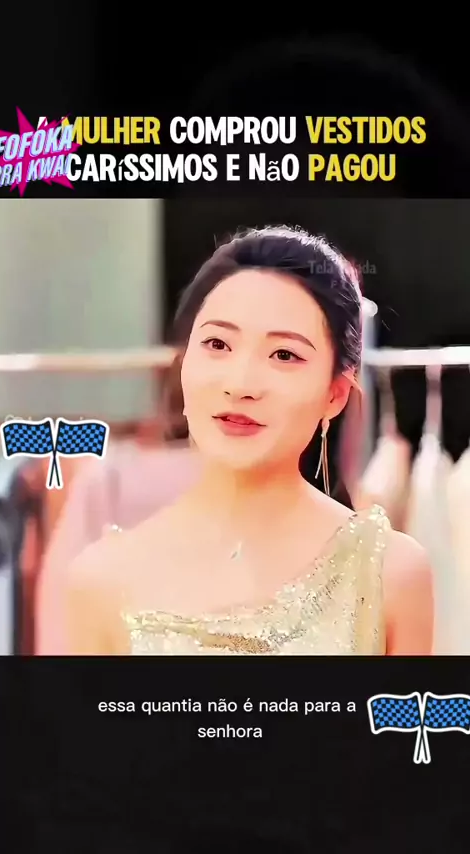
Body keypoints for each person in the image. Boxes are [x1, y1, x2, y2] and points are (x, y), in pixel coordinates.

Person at [62, 225, 434, 656]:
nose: (240, 384)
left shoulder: (391, 573)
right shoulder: (102, 582)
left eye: (284, 355)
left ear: (334, 394)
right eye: (217, 344)